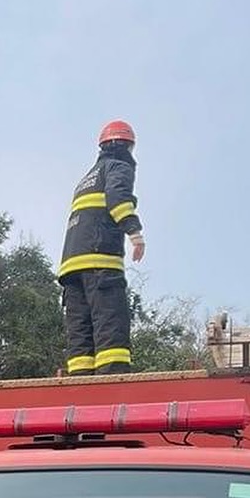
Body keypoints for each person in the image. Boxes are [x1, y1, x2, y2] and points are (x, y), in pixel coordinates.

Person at [57, 120, 146, 375]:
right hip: (100, 261)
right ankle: (112, 382)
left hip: (72, 267)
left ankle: (82, 381)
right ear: (128, 147)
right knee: (110, 324)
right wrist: (134, 232)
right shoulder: (118, 167)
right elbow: (118, 198)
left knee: (80, 329)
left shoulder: (87, 178)